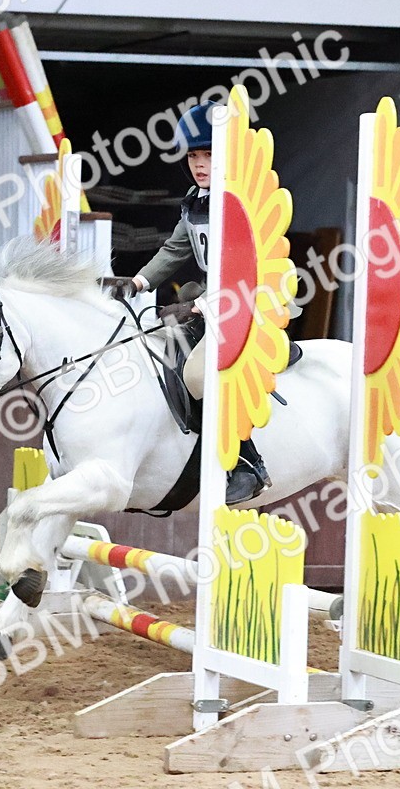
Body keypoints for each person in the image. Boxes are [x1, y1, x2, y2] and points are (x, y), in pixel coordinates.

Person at [110, 101, 270, 505]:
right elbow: (176, 248)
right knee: (160, 354)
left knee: (197, 376)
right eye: (194, 155)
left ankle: (246, 464)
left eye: (209, 154)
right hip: (215, 303)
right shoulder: (196, 197)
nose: (200, 164)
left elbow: (243, 266)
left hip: (247, 301)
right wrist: (140, 281)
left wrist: (201, 306)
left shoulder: (239, 201)